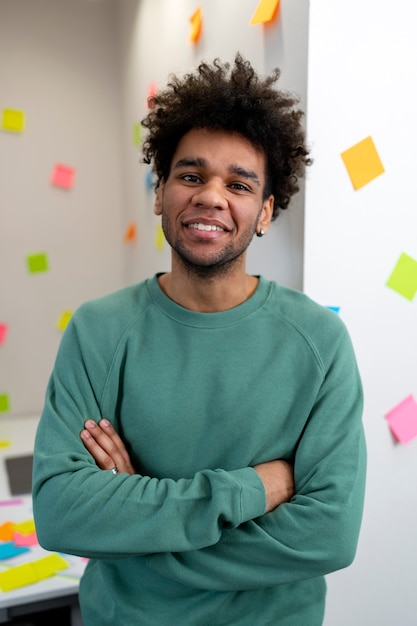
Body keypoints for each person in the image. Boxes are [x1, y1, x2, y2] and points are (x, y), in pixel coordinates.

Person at [32, 53, 366, 626]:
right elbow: (62, 514)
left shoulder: (320, 342)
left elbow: (328, 536)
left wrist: (138, 525)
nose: (211, 196)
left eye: (238, 184)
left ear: (264, 213)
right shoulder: (98, 331)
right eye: (191, 175)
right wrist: (252, 490)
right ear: (160, 193)